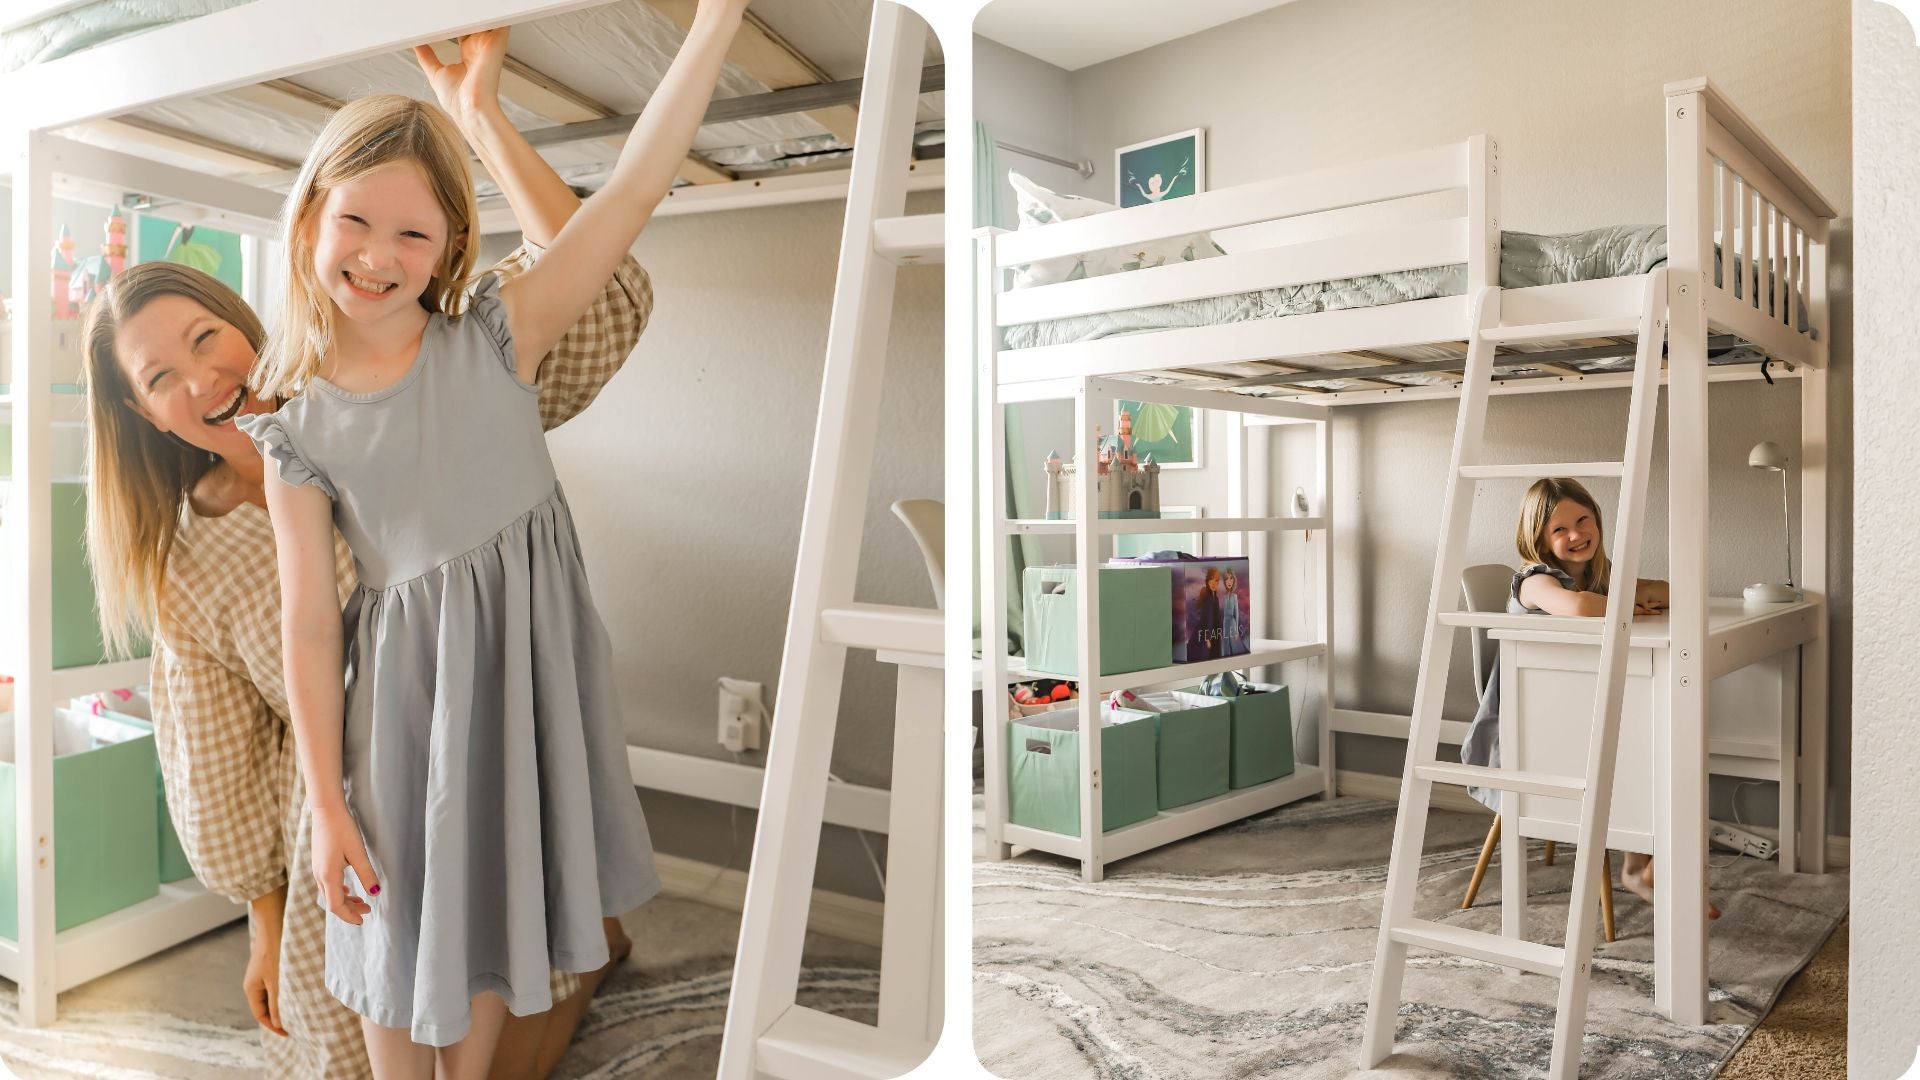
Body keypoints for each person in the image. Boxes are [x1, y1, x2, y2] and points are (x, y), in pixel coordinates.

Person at [81, 30, 651, 1080]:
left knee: (521, 990)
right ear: (146, 416)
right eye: (160, 377)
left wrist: (482, 117)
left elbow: (609, 288)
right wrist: (266, 915)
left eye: (206, 339)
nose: (200, 380)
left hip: (490, 763)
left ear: (245, 318)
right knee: (361, 1034)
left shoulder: (426, 367)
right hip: (356, 820)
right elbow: (218, 778)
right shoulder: (195, 567)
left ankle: (592, 944)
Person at [236, 5, 747, 1075]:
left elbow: (633, 194)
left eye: (412, 234)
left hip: (516, 685)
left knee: (488, 915)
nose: (377, 257)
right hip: (400, 706)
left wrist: (715, 22)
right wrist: (326, 804)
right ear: (307, 222)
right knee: (391, 923)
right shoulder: (293, 426)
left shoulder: (500, 335)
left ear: (451, 250)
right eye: (355, 223)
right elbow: (307, 622)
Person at [1458, 478, 1718, 918]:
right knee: (1644, 739)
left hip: (1577, 706)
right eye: (1559, 529)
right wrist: (1628, 604)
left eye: (1583, 520)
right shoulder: (1533, 581)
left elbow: (1667, 591)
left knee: (1663, 733)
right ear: (1538, 538)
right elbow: (1576, 607)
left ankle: (1642, 862)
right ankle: (1641, 866)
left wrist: (1634, 595)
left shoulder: (1601, 578)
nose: (1576, 534)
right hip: (1529, 722)